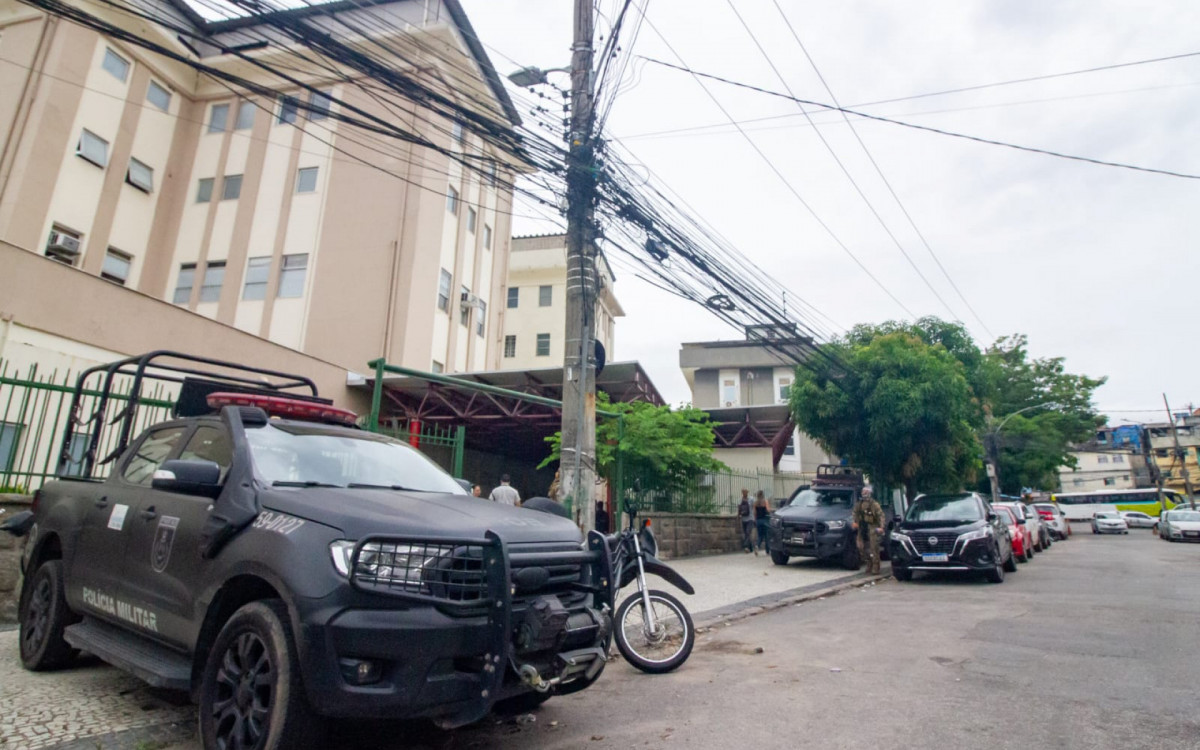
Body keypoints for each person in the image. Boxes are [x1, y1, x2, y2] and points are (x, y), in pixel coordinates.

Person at [851, 487, 884, 574]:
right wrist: (855, 522)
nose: (864, 493)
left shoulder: (874, 504)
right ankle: (868, 562)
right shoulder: (859, 504)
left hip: (872, 526)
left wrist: (881, 527)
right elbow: (855, 513)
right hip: (862, 527)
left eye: (865, 492)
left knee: (874, 547)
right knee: (860, 547)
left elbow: (881, 516)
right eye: (863, 492)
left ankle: (875, 567)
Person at [736, 489, 755, 554]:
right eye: (743, 492)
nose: (744, 493)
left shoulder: (751, 499)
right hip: (744, 519)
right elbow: (739, 508)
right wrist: (738, 516)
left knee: (748, 532)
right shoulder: (740, 500)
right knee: (746, 533)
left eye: (745, 492)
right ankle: (751, 548)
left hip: (750, 518)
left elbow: (754, 507)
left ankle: (746, 546)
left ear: (747, 492)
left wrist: (755, 516)